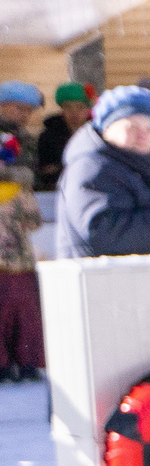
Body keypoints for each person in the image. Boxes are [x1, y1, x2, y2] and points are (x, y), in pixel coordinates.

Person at [59, 85, 150, 259]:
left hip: (140, 273)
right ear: (107, 127)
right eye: (132, 127)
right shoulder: (92, 168)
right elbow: (107, 233)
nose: (142, 135)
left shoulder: (139, 166)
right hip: (103, 274)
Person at [0, 150, 41, 382]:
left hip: (15, 265)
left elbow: (34, 222)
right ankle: (25, 365)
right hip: (20, 262)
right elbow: (34, 222)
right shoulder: (21, 189)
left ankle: (9, 367)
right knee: (25, 318)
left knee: (18, 317)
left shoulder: (20, 189)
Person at [35, 82, 89, 190]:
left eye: (80, 107)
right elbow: (44, 170)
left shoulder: (98, 134)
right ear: (61, 109)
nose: (74, 113)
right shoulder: (48, 136)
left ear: (88, 109)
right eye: (68, 107)